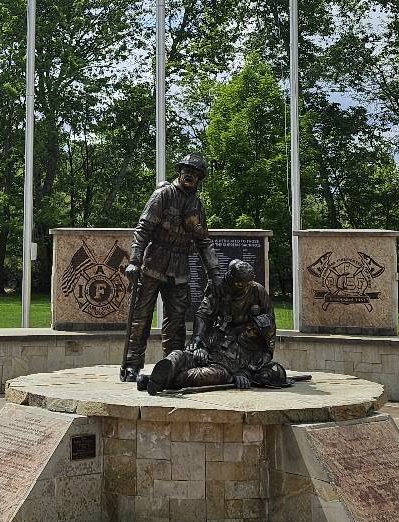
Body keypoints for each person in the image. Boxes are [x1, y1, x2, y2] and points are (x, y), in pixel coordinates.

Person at [119, 152, 220, 382]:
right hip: (153, 262)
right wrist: (134, 261)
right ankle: (132, 364)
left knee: (176, 320)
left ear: (200, 178)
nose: (189, 176)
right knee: (140, 317)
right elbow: (143, 229)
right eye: (187, 171)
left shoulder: (197, 205)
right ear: (180, 172)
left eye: (195, 174)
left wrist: (214, 273)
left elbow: (203, 241)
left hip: (179, 267)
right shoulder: (163, 194)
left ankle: (172, 364)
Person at [136, 258, 291, 394]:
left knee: (202, 376)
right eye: (239, 284)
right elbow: (204, 315)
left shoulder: (257, 293)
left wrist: (245, 372)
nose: (244, 287)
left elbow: (269, 329)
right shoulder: (219, 289)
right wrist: (200, 344)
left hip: (227, 366)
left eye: (247, 284)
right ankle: (167, 367)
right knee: (182, 355)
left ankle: (153, 380)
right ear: (230, 277)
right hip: (215, 345)